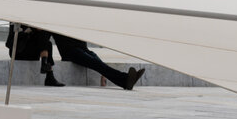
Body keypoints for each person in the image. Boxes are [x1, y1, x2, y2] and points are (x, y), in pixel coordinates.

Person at [15, 25, 144, 90]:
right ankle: (125, 80)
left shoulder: (69, 22)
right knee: (96, 63)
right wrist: (45, 59)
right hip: (71, 53)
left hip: (82, 50)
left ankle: (124, 80)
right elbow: (44, 40)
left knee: (96, 59)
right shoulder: (53, 24)